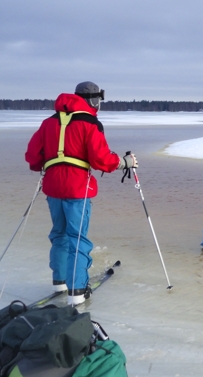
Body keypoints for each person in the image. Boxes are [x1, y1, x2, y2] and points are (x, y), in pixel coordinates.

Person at [25, 81, 137, 305]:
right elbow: (102, 160)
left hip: (53, 187)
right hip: (77, 188)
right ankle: (77, 291)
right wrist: (125, 162)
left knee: (59, 234)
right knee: (77, 238)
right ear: (93, 100)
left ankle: (60, 281)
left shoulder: (49, 122)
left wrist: (50, 165)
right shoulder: (90, 123)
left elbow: (32, 157)